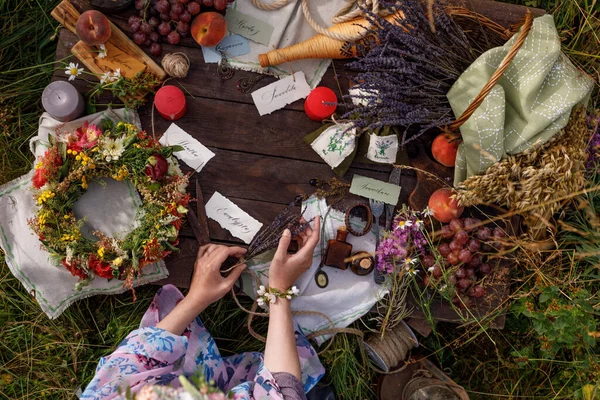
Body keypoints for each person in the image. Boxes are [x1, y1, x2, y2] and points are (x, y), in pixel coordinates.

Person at [82, 217, 324, 399]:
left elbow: (128, 363)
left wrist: (196, 299)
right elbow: (284, 391)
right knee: (294, 366)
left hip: (178, 382)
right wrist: (279, 291)